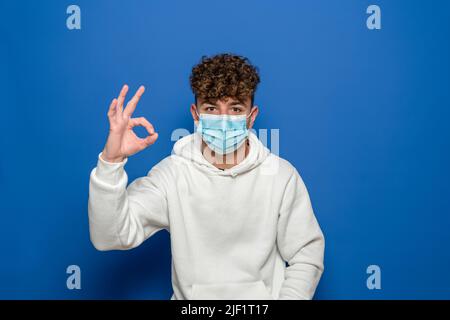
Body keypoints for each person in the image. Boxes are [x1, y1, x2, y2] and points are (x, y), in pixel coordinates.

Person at [88, 53, 325, 300]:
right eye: (212, 108)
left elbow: (306, 255)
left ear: (251, 116)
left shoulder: (281, 176)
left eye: (235, 108)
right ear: (196, 114)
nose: (223, 121)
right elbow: (109, 236)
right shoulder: (172, 174)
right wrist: (111, 161)